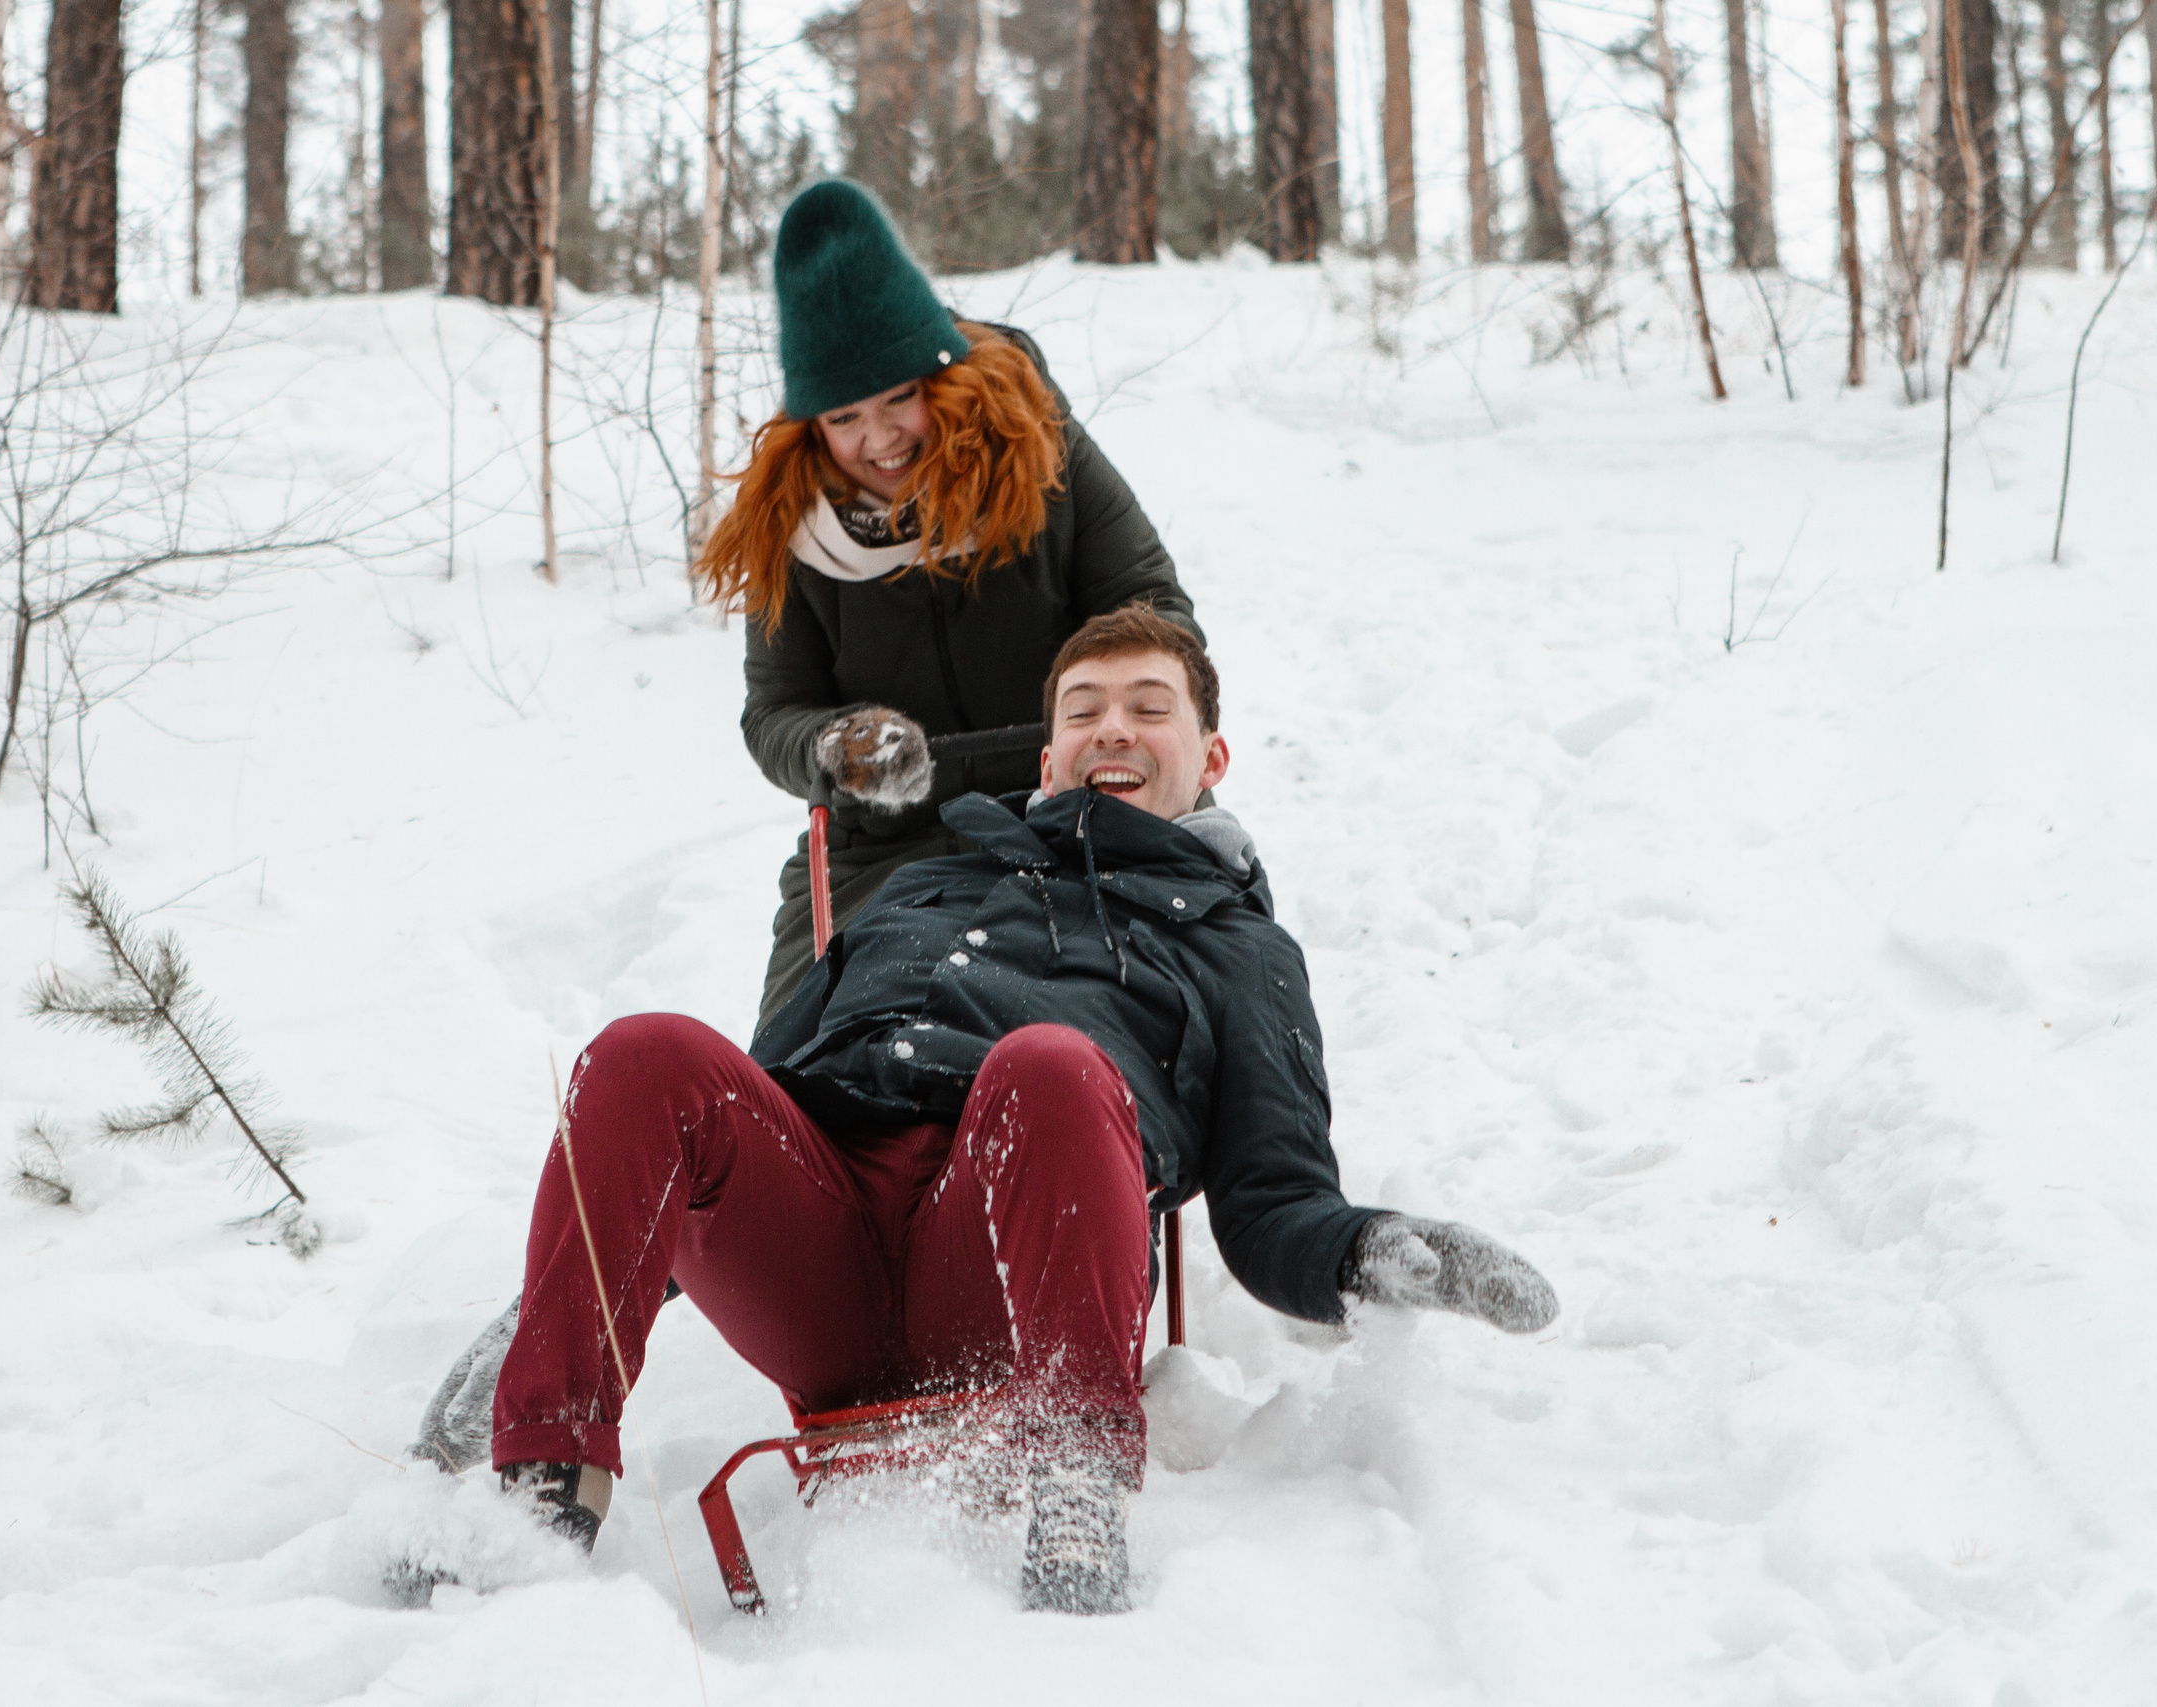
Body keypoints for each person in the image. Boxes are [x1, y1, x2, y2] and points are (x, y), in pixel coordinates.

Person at [482, 605, 1560, 1615]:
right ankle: (538, 1500)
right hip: (824, 1258)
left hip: (1010, 1258)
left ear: (1210, 756)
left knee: (1047, 1061)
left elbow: (1273, 1203)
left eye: (1147, 706)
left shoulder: (1238, 949)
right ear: (1048, 760)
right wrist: (551, 1312)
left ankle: (1078, 1496)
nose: (1112, 730)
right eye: (1084, 711)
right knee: (645, 1053)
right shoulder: (915, 892)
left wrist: (1374, 1249)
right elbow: (726, 1120)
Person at [691, 179, 1203, 1029]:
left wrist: (1109, 717)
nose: (880, 439)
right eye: (846, 416)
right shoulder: (792, 528)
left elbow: (1156, 611)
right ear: (811, 423)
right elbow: (774, 712)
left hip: (1086, 797)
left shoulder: (1041, 452)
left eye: (900, 398)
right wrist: (836, 748)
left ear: (943, 375)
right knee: (804, 1041)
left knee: (1201, 979)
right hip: (886, 844)